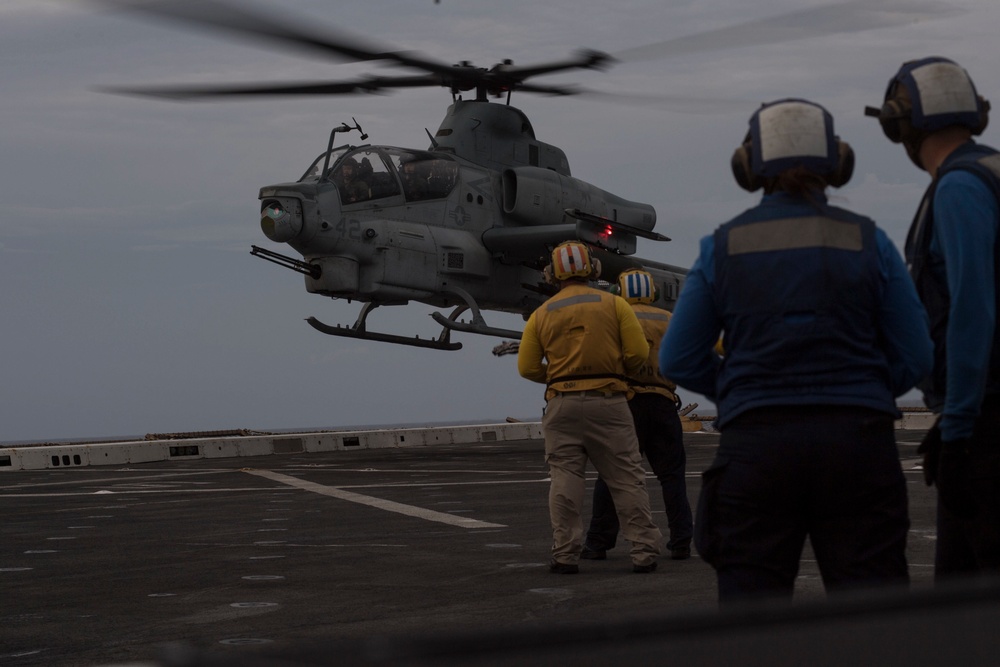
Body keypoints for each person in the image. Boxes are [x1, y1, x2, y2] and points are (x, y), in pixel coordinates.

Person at [660, 99, 934, 602]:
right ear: (839, 161)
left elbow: (676, 359)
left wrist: (743, 388)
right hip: (858, 444)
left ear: (748, 166)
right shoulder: (868, 241)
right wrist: (863, 387)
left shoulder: (722, 246)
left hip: (757, 449)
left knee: (753, 625)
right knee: (879, 625)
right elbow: (916, 355)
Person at [866, 57, 1000, 579]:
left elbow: (973, 306)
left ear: (901, 123)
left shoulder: (959, 187)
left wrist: (959, 426)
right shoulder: (989, 172)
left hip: (986, 418)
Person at [518, 242, 663, 574]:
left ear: (552, 274)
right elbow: (638, 353)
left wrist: (557, 377)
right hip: (609, 402)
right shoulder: (614, 305)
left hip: (562, 405)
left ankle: (565, 554)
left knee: (565, 479)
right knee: (626, 479)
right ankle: (643, 552)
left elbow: (527, 368)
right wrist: (617, 372)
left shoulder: (542, 313)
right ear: (593, 269)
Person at [581, 269, 694, 562]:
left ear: (621, 293)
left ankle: (597, 544)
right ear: (652, 293)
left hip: (626, 403)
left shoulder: (615, 318)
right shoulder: (671, 320)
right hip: (664, 403)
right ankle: (681, 541)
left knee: (612, 475)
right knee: (672, 477)